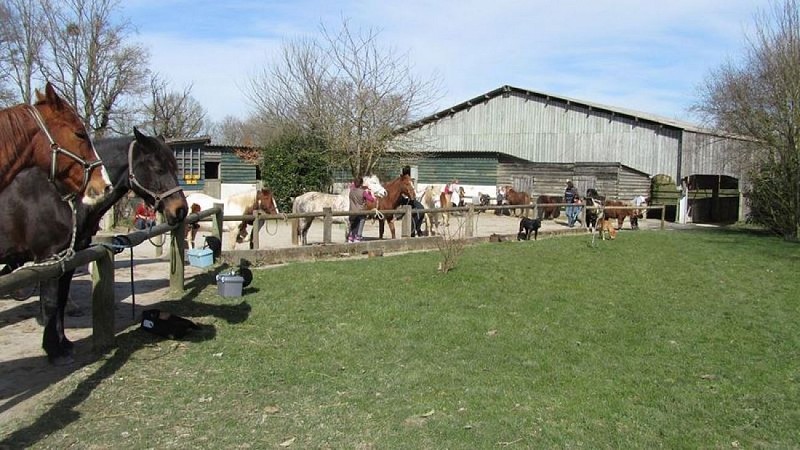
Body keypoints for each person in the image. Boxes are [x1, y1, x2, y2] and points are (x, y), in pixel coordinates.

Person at [348, 177, 375, 243]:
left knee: (353, 225)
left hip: (352, 211)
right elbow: (372, 199)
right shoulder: (363, 192)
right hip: (360, 211)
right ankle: (358, 236)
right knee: (361, 222)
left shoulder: (351, 191)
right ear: (361, 184)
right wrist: (370, 193)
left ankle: (351, 237)